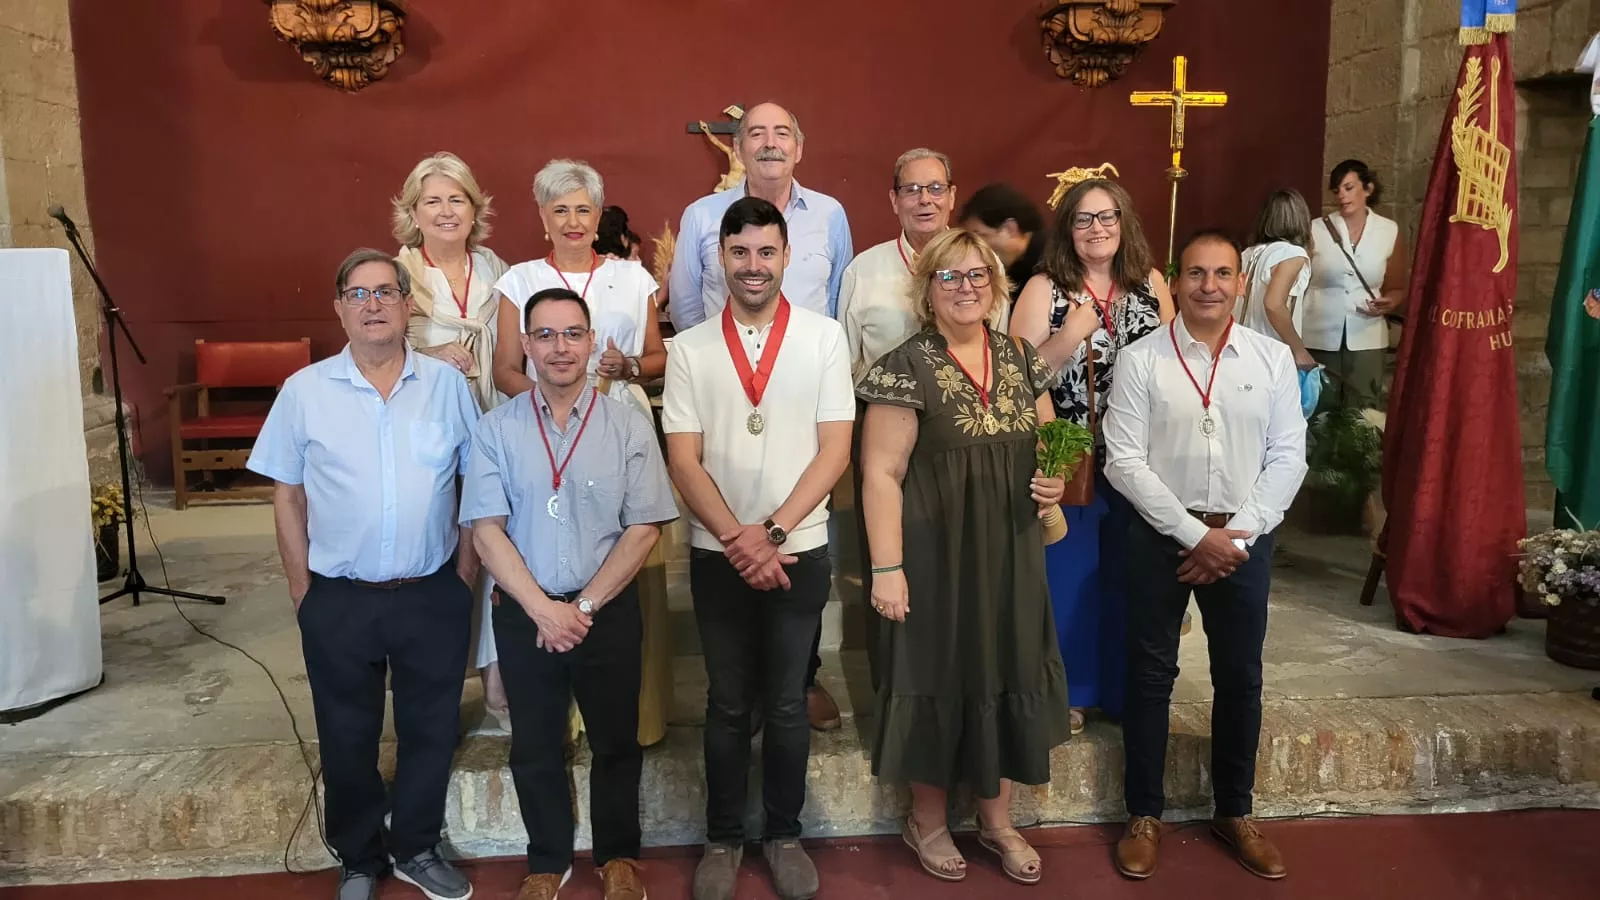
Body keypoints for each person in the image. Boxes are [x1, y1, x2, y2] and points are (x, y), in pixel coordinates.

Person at [247, 249, 479, 900]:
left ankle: (416, 846)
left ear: (409, 305)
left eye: (385, 292)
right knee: (346, 733)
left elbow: (474, 484)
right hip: (339, 596)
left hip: (430, 591)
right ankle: (357, 856)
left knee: (430, 728)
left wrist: (463, 574)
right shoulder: (305, 392)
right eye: (359, 293)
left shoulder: (446, 387)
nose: (373, 304)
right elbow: (287, 496)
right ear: (340, 309)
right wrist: (303, 591)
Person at [857, 229, 1072, 885]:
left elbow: (1046, 441)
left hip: (1008, 548)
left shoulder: (1019, 356)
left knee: (1006, 664)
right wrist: (888, 569)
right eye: (949, 277)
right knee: (936, 672)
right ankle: (926, 820)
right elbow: (880, 474)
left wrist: (1053, 486)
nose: (965, 287)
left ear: (997, 285)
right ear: (927, 288)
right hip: (932, 551)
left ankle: (997, 820)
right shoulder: (904, 364)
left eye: (978, 275)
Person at [662, 197, 853, 900]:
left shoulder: (826, 337)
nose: (752, 266)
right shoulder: (689, 348)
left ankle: (783, 832)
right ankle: (722, 837)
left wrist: (769, 533)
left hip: (797, 546)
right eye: (739, 252)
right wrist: (738, 540)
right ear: (721, 256)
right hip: (719, 555)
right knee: (726, 703)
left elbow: (836, 450)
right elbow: (684, 460)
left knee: (785, 702)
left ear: (785, 257)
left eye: (765, 252)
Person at [461, 287, 678, 900]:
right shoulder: (495, 429)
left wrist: (580, 609)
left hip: (603, 610)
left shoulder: (628, 423)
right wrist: (543, 610)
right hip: (527, 612)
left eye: (573, 334)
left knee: (616, 739)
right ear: (525, 345)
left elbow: (644, 529)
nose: (561, 348)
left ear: (591, 342)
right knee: (533, 743)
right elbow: (485, 531)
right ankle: (546, 860)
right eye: (547, 336)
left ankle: (617, 856)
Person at [1103, 231, 1307, 883]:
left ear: (1240, 283)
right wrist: (1196, 536)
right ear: (1177, 279)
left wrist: (1238, 535)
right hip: (1162, 536)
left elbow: (1288, 457)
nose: (1210, 285)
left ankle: (1235, 811)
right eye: (1195, 273)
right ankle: (1143, 814)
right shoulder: (1142, 359)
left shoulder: (1272, 360)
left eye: (1222, 273)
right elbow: (1123, 460)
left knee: (1240, 676)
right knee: (1151, 674)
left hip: (1244, 538)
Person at [488, 159, 673, 745]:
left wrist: (629, 368)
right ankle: (551, 718)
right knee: (550, 552)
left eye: (582, 209)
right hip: (540, 431)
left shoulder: (631, 276)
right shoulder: (518, 280)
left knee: (628, 562)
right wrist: (557, 402)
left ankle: (635, 719)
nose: (572, 220)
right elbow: (503, 368)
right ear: (542, 218)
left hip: (620, 425)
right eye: (559, 209)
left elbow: (658, 357)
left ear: (598, 217)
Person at [1011, 177, 1174, 731]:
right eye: (1083, 219)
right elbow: (1018, 376)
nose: (1097, 228)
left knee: (1132, 575)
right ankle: (1071, 691)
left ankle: (1126, 691)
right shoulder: (1045, 288)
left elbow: (1176, 361)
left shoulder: (1150, 283)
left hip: (1141, 457)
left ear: (1124, 223)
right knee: (1071, 576)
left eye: (1107, 217)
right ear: (1068, 230)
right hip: (1071, 455)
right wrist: (1067, 335)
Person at [836, 148, 987, 695]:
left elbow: (1003, 352)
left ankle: (965, 691)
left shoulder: (981, 266)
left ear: (951, 196)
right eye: (911, 190)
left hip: (968, 448)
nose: (924, 200)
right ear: (893, 200)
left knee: (963, 577)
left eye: (934, 189)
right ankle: (895, 699)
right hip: (885, 447)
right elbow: (845, 362)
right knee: (888, 568)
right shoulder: (865, 270)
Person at [391, 151, 513, 728]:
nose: (445, 211)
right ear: (413, 212)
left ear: (474, 207)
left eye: (456, 199)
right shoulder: (398, 273)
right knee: (442, 558)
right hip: (429, 432)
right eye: (432, 200)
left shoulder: (494, 265)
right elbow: (376, 350)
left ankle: (497, 682)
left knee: (497, 552)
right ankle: (434, 686)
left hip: (495, 421)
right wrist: (428, 352)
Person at [668, 101, 853, 329]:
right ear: (738, 149)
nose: (770, 144)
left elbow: (839, 303)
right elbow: (685, 307)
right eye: (757, 134)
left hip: (807, 362)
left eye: (782, 134)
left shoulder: (830, 214)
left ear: (799, 149)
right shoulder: (701, 215)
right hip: (723, 360)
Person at [1302, 159, 1407, 409]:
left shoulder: (1388, 231)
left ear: (1368, 189)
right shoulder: (1315, 229)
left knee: (1363, 410)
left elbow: (1397, 286)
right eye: (1337, 190)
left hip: (1367, 335)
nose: (1342, 196)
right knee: (1319, 406)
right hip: (1318, 333)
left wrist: (1390, 302)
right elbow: (1299, 281)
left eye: (1349, 188)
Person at [1237, 190, 1317, 369]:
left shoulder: (1247, 254)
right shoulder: (1292, 254)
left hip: (1239, 346)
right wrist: (1299, 349)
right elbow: (1273, 303)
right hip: (1270, 353)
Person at [960, 183, 1046, 305]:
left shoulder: (1051, 264)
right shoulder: (1018, 266)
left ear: (1010, 229)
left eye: (979, 236)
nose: (973, 246)